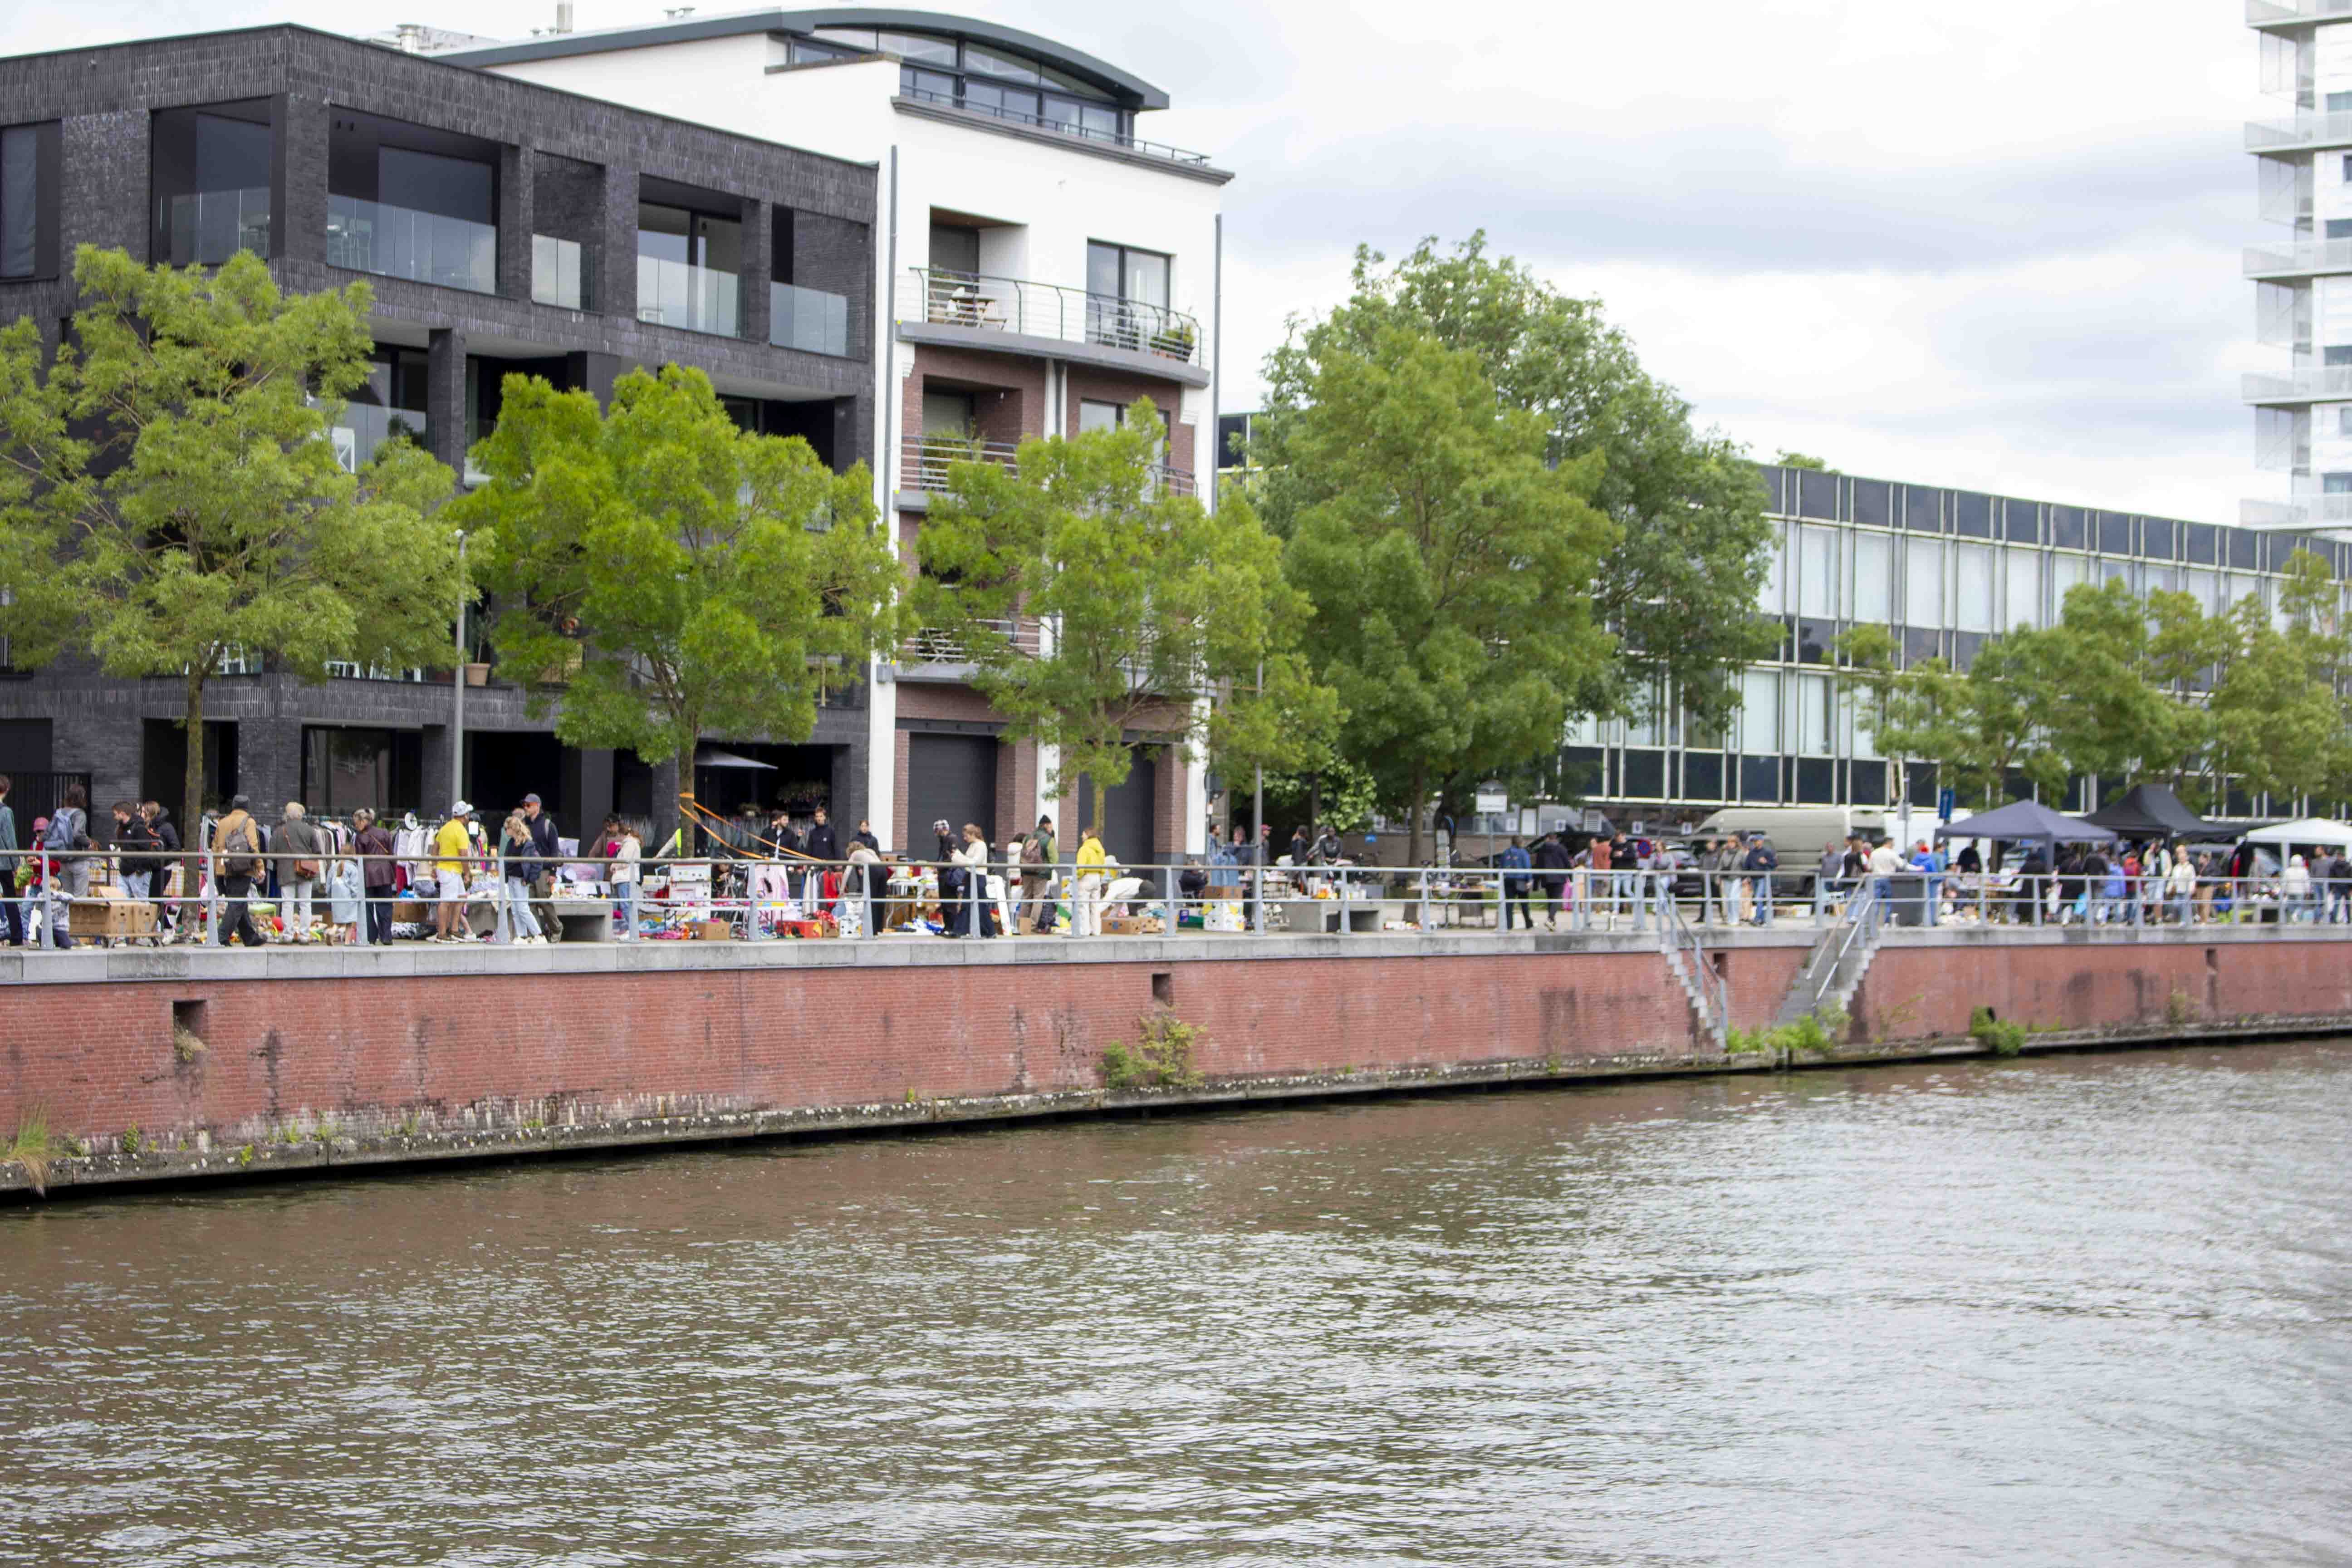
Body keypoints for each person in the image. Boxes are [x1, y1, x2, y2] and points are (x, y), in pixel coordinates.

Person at [210, 793, 267, 948]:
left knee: (238, 901)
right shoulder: (249, 822)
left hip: (223, 868)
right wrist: (260, 868)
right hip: (242, 868)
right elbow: (253, 848)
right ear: (247, 807)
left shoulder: (223, 822)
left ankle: (250, 937)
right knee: (237, 902)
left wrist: (216, 870)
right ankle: (221, 936)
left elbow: (215, 847)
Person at [39, 783, 91, 950]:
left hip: (63, 860)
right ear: (82, 798)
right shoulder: (80, 814)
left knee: (66, 900)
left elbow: (45, 836)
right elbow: (78, 833)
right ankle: (77, 936)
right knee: (80, 899)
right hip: (78, 859)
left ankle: (66, 934)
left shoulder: (59, 812)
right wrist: (89, 843)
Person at [276, 801, 326, 943]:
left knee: (287, 903)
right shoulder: (309, 830)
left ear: (287, 814)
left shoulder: (280, 830)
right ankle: (304, 935)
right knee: (305, 904)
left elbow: (273, 852)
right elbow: (317, 851)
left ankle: (288, 935)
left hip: (286, 870)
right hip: (306, 871)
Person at [520, 793, 565, 942]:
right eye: (525, 805)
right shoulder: (524, 824)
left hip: (543, 870)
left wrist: (553, 872)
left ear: (537, 806)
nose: (525, 808)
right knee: (530, 904)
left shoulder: (548, 825)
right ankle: (537, 934)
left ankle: (556, 928)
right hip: (528, 870)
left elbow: (554, 850)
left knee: (544, 902)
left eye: (529, 805)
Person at [430, 800, 476, 944]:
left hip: (447, 869)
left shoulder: (445, 828)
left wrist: (434, 867)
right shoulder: (461, 830)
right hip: (451, 870)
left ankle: (454, 930)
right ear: (465, 815)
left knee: (461, 897)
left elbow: (435, 849)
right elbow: (463, 854)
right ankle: (442, 933)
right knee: (446, 902)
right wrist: (468, 873)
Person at [495, 811, 544, 945]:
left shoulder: (528, 843)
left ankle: (538, 934)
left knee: (523, 908)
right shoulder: (511, 842)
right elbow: (506, 859)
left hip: (521, 879)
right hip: (512, 878)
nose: (505, 831)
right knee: (516, 909)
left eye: (507, 828)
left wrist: (528, 879)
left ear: (514, 828)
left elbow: (535, 863)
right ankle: (522, 936)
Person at [352, 808, 397, 945]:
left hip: (369, 874)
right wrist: (393, 872)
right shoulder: (384, 832)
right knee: (386, 906)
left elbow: (360, 859)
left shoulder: (361, 837)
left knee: (368, 906)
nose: (356, 826)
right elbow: (391, 854)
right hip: (385, 872)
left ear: (364, 821)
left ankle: (371, 936)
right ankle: (387, 936)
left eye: (357, 823)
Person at [142, 801, 181, 936]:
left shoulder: (166, 827)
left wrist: (162, 858)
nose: (142, 814)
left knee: (155, 898)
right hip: (154, 867)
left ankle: (167, 928)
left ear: (150, 813)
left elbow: (176, 847)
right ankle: (160, 928)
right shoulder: (149, 826)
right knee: (154, 898)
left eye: (144, 812)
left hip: (163, 867)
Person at [953, 822, 996, 938]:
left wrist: (957, 857)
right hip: (972, 875)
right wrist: (958, 857)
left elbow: (974, 862)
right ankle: (960, 931)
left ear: (972, 834)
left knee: (981, 906)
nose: (964, 838)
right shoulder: (973, 845)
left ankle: (989, 931)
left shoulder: (981, 846)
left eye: (966, 836)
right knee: (967, 904)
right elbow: (969, 861)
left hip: (978, 876)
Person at [1019, 813, 1057, 935]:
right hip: (1041, 873)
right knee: (1038, 898)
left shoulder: (1027, 838)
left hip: (1026, 871)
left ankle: (1022, 927)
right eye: (1050, 826)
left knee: (1026, 898)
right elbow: (1054, 860)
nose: (1051, 828)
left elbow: (1022, 856)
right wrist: (1049, 871)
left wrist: (1022, 872)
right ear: (1046, 825)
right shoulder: (1049, 839)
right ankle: (1033, 927)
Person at [607, 817, 642, 940]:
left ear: (623, 835)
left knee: (626, 906)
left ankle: (632, 930)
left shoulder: (629, 844)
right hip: (626, 878)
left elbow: (624, 862)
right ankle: (632, 929)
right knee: (627, 905)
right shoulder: (630, 844)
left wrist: (614, 866)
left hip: (625, 878)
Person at [1530, 829, 1572, 931]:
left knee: (1550, 900)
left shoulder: (1542, 850)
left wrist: (1536, 883)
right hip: (1559, 878)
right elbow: (1567, 863)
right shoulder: (1561, 849)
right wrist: (1571, 877)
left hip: (1547, 878)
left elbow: (1538, 866)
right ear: (1556, 839)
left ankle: (1552, 923)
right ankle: (1550, 919)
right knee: (1556, 899)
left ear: (1548, 839)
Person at [1072, 824, 1108, 938]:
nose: (1081, 836)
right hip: (1097, 877)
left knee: (1083, 905)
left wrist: (1077, 877)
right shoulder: (1101, 849)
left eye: (1083, 834)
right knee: (1095, 906)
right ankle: (1097, 931)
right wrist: (1100, 875)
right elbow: (1103, 864)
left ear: (1088, 835)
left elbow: (1080, 867)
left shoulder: (1084, 849)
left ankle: (1085, 930)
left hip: (1086, 877)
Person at [804, 806, 839, 908]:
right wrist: (806, 862)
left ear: (825, 818)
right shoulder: (813, 833)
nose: (819, 818)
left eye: (821, 816)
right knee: (815, 891)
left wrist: (837, 863)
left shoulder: (830, 831)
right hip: (815, 866)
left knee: (827, 891)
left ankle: (828, 910)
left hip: (828, 867)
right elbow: (809, 848)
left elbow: (836, 847)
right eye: (817, 816)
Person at [1498, 836, 1534, 930]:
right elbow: (1527, 866)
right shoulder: (1523, 853)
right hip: (1521, 880)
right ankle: (1528, 923)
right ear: (1521, 842)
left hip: (1508, 880)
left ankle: (1509, 925)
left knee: (1509, 903)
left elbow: (1501, 866)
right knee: (1524, 903)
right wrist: (1529, 880)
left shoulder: (1506, 853)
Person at [0, 774, 20, 947]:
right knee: (10, 898)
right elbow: (10, 840)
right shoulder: (5, 812)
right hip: (3, 863)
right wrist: (16, 863)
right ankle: (16, 936)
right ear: (6, 790)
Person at [1743, 834, 1779, 926]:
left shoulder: (1767, 852)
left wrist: (1766, 862)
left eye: (1757, 841)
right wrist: (1746, 877)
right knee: (1758, 899)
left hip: (1763, 878)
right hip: (1754, 879)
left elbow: (1774, 864)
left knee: (1758, 898)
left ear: (1762, 841)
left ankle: (1758, 918)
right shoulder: (1752, 853)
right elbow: (1746, 866)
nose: (1755, 843)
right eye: (1754, 841)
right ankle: (1762, 919)